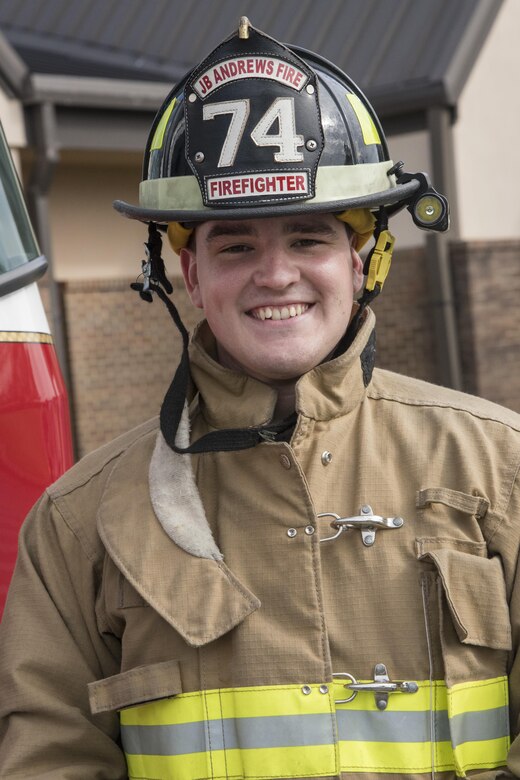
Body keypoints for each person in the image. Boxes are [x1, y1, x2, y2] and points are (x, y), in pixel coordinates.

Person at [1, 17, 520, 780]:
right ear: (186, 270)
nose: (275, 274)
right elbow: (50, 762)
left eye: (308, 238)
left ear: (362, 257)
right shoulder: (78, 525)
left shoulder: (500, 469)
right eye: (236, 244)